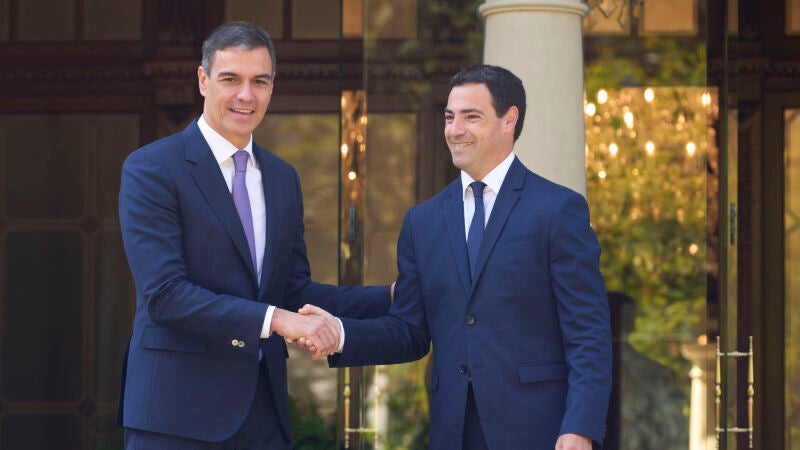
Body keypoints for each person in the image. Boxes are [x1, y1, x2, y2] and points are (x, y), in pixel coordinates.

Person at [298, 64, 612, 450]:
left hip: (540, 431)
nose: (454, 130)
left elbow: (588, 334)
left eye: (471, 117)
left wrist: (579, 426)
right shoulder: (422, 221)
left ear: (509, 119)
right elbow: (408, 332)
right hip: (452, 431)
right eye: (449, 117)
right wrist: (339, 333)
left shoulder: (557, 209)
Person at [116, 21, 391, 450]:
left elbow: (293, 290)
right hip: (175, 415)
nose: (246, 95)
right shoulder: (151, 169)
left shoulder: (282, 178)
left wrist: (391, 296)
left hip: (262, 414)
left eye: (259, 81)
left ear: (272, 87)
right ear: (203, 80)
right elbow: (165, 294)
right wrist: (278, 319)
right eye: (231, 79)